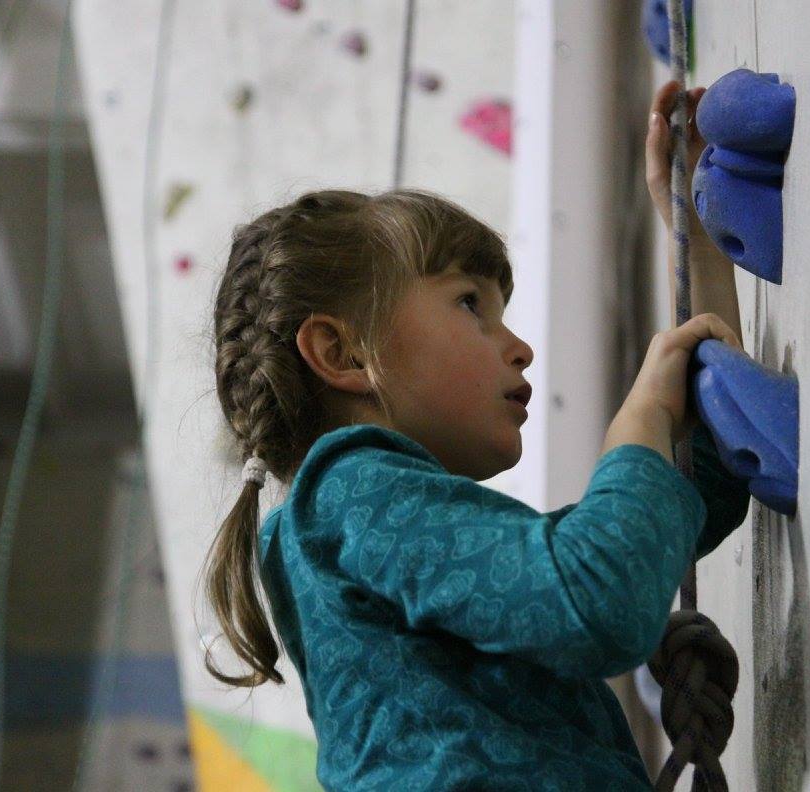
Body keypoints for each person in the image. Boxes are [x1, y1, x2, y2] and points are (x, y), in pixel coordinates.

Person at [203, 80, 748, 790]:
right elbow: (600, 595)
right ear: (344, 355)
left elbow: (698, 487)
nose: (518, 346)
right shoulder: (353, 493)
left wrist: (696, 247)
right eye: (471, 304)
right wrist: (637, 425)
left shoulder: (367, 540)